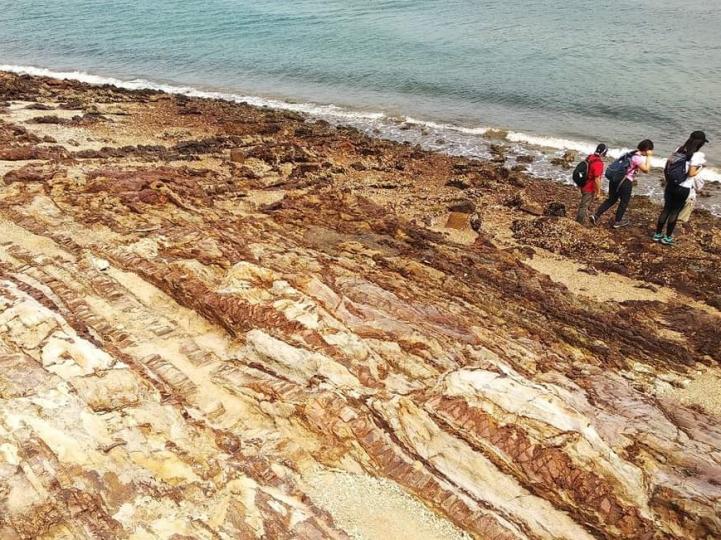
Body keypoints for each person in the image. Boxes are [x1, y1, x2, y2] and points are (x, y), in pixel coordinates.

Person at [653, 131, 708, 245]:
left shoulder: (679, 149)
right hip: (683, 187)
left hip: (671, 184)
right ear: (701, 143)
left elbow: (668, 164)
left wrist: (668, 180)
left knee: (666, 209)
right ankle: (667, 238)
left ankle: (657, 234)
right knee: (675, 211)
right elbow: (692, 173)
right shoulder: (697, 155)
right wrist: (701, 168)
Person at [590, 139, 654, 228]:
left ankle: (596, 215)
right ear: (647, 149)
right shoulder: (637, 158)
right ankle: (618, 221)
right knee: (624, 202)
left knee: (611, 199)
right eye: (650, 150)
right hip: (625, 182)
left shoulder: (629, 153)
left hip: (615, 179)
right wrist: (649, 157)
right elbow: (646, 170)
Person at [576, 143, 608, 224]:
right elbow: (597, 179)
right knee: (584, 206)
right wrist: (598, 192)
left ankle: (582, 219)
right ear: (604, 153)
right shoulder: (598, 163)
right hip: (589, 188)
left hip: (583, 184)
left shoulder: (590, 157)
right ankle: (579, 223)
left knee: (585, 204)